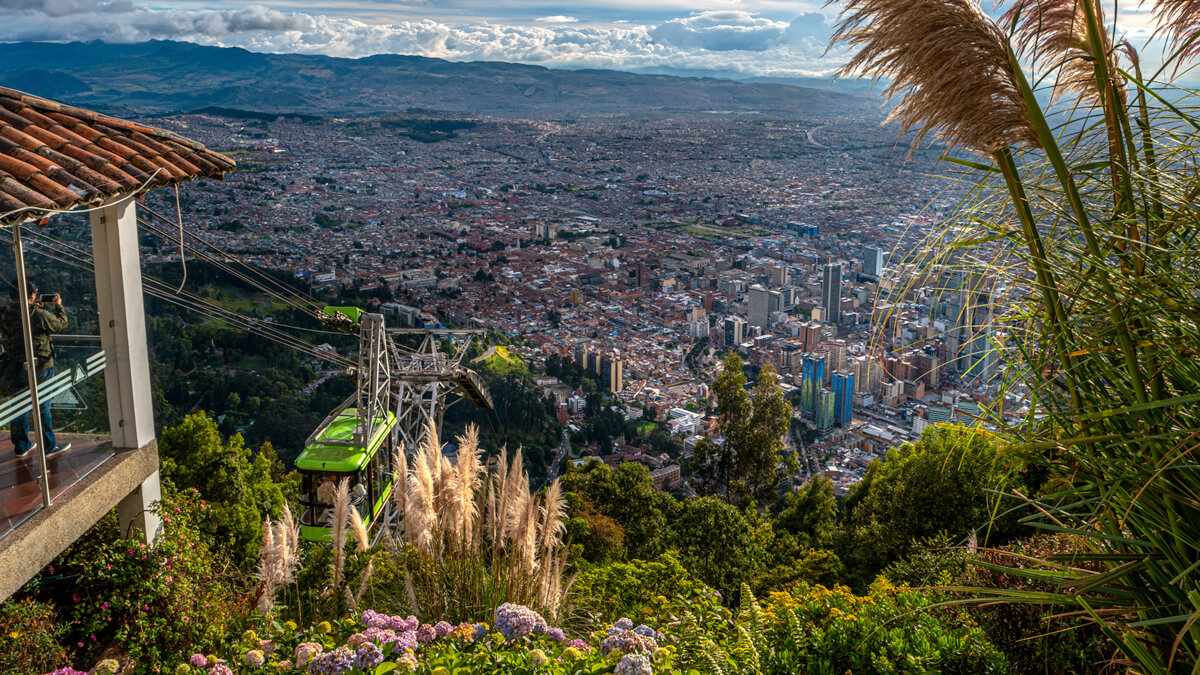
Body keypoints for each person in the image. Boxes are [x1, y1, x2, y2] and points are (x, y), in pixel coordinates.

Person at [0, 282, 70, 457]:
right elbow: (61, 325)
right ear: (31, 295)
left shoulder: (3, 314)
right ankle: (47, 446)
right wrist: (58, 306)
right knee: (42, 406)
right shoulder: (37, 315)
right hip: (40, 366)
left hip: (14, 366)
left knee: (19, 406)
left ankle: (22, 445)